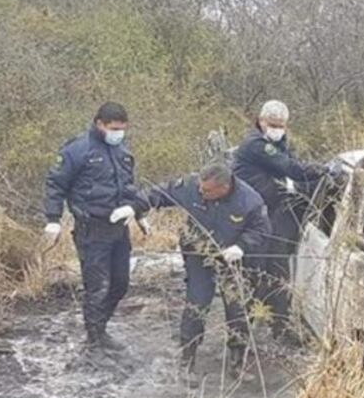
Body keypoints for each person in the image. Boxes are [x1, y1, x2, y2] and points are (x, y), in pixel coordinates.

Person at [136, 163, 270, 381]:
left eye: (207, 191)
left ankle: (237, 363)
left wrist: (242, 246)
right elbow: (160, 193)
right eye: (200, 188)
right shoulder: (192, 186)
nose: (201, 192)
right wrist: (135, 207)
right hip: (199, 253)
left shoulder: (250, 201)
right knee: (196, 303)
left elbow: (261, 229)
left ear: (224, 187)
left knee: (238, 307)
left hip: (233, 258)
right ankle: (187, 362)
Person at [43, 102, 147, 352]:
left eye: (122, 129)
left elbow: (128, 187)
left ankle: (100, 329)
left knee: (120, 284)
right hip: (92, 229)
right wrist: (53, 220)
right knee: (97, 288)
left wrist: (140, 214)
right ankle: (94, 340)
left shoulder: (122, 151)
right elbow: (55, 184)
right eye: (113, 128)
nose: (118, 133)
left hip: (119, 228)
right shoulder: (77, 150)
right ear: (99, 123)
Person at [232, 100, 328, 345]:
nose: (277, 129)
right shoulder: (257, 145)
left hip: (270, 212)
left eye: (281, 125)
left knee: (275, 271)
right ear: (261, 121)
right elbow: (290, 168)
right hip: (253, 218)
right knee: (261, 274)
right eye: (273, 125)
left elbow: (290, 170)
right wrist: (322, 170)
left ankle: (278, 327)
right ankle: (241, 336)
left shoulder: (277, 142)